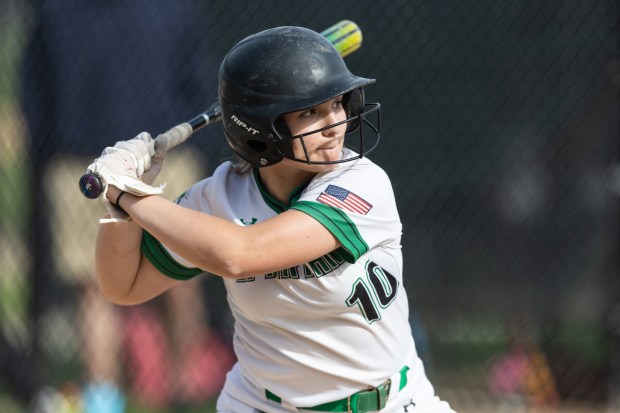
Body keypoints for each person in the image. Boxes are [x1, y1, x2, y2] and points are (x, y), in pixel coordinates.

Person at [90, 26, 456, 413]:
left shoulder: (362, 182)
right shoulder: (219, 197)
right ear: (259, 131)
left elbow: (240, 254)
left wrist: (128, 193)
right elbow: (122, 287)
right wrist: (121, 209)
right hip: (262, 405)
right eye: (311, 112)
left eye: (337, 103)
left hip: (390, 403)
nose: (335, 124)